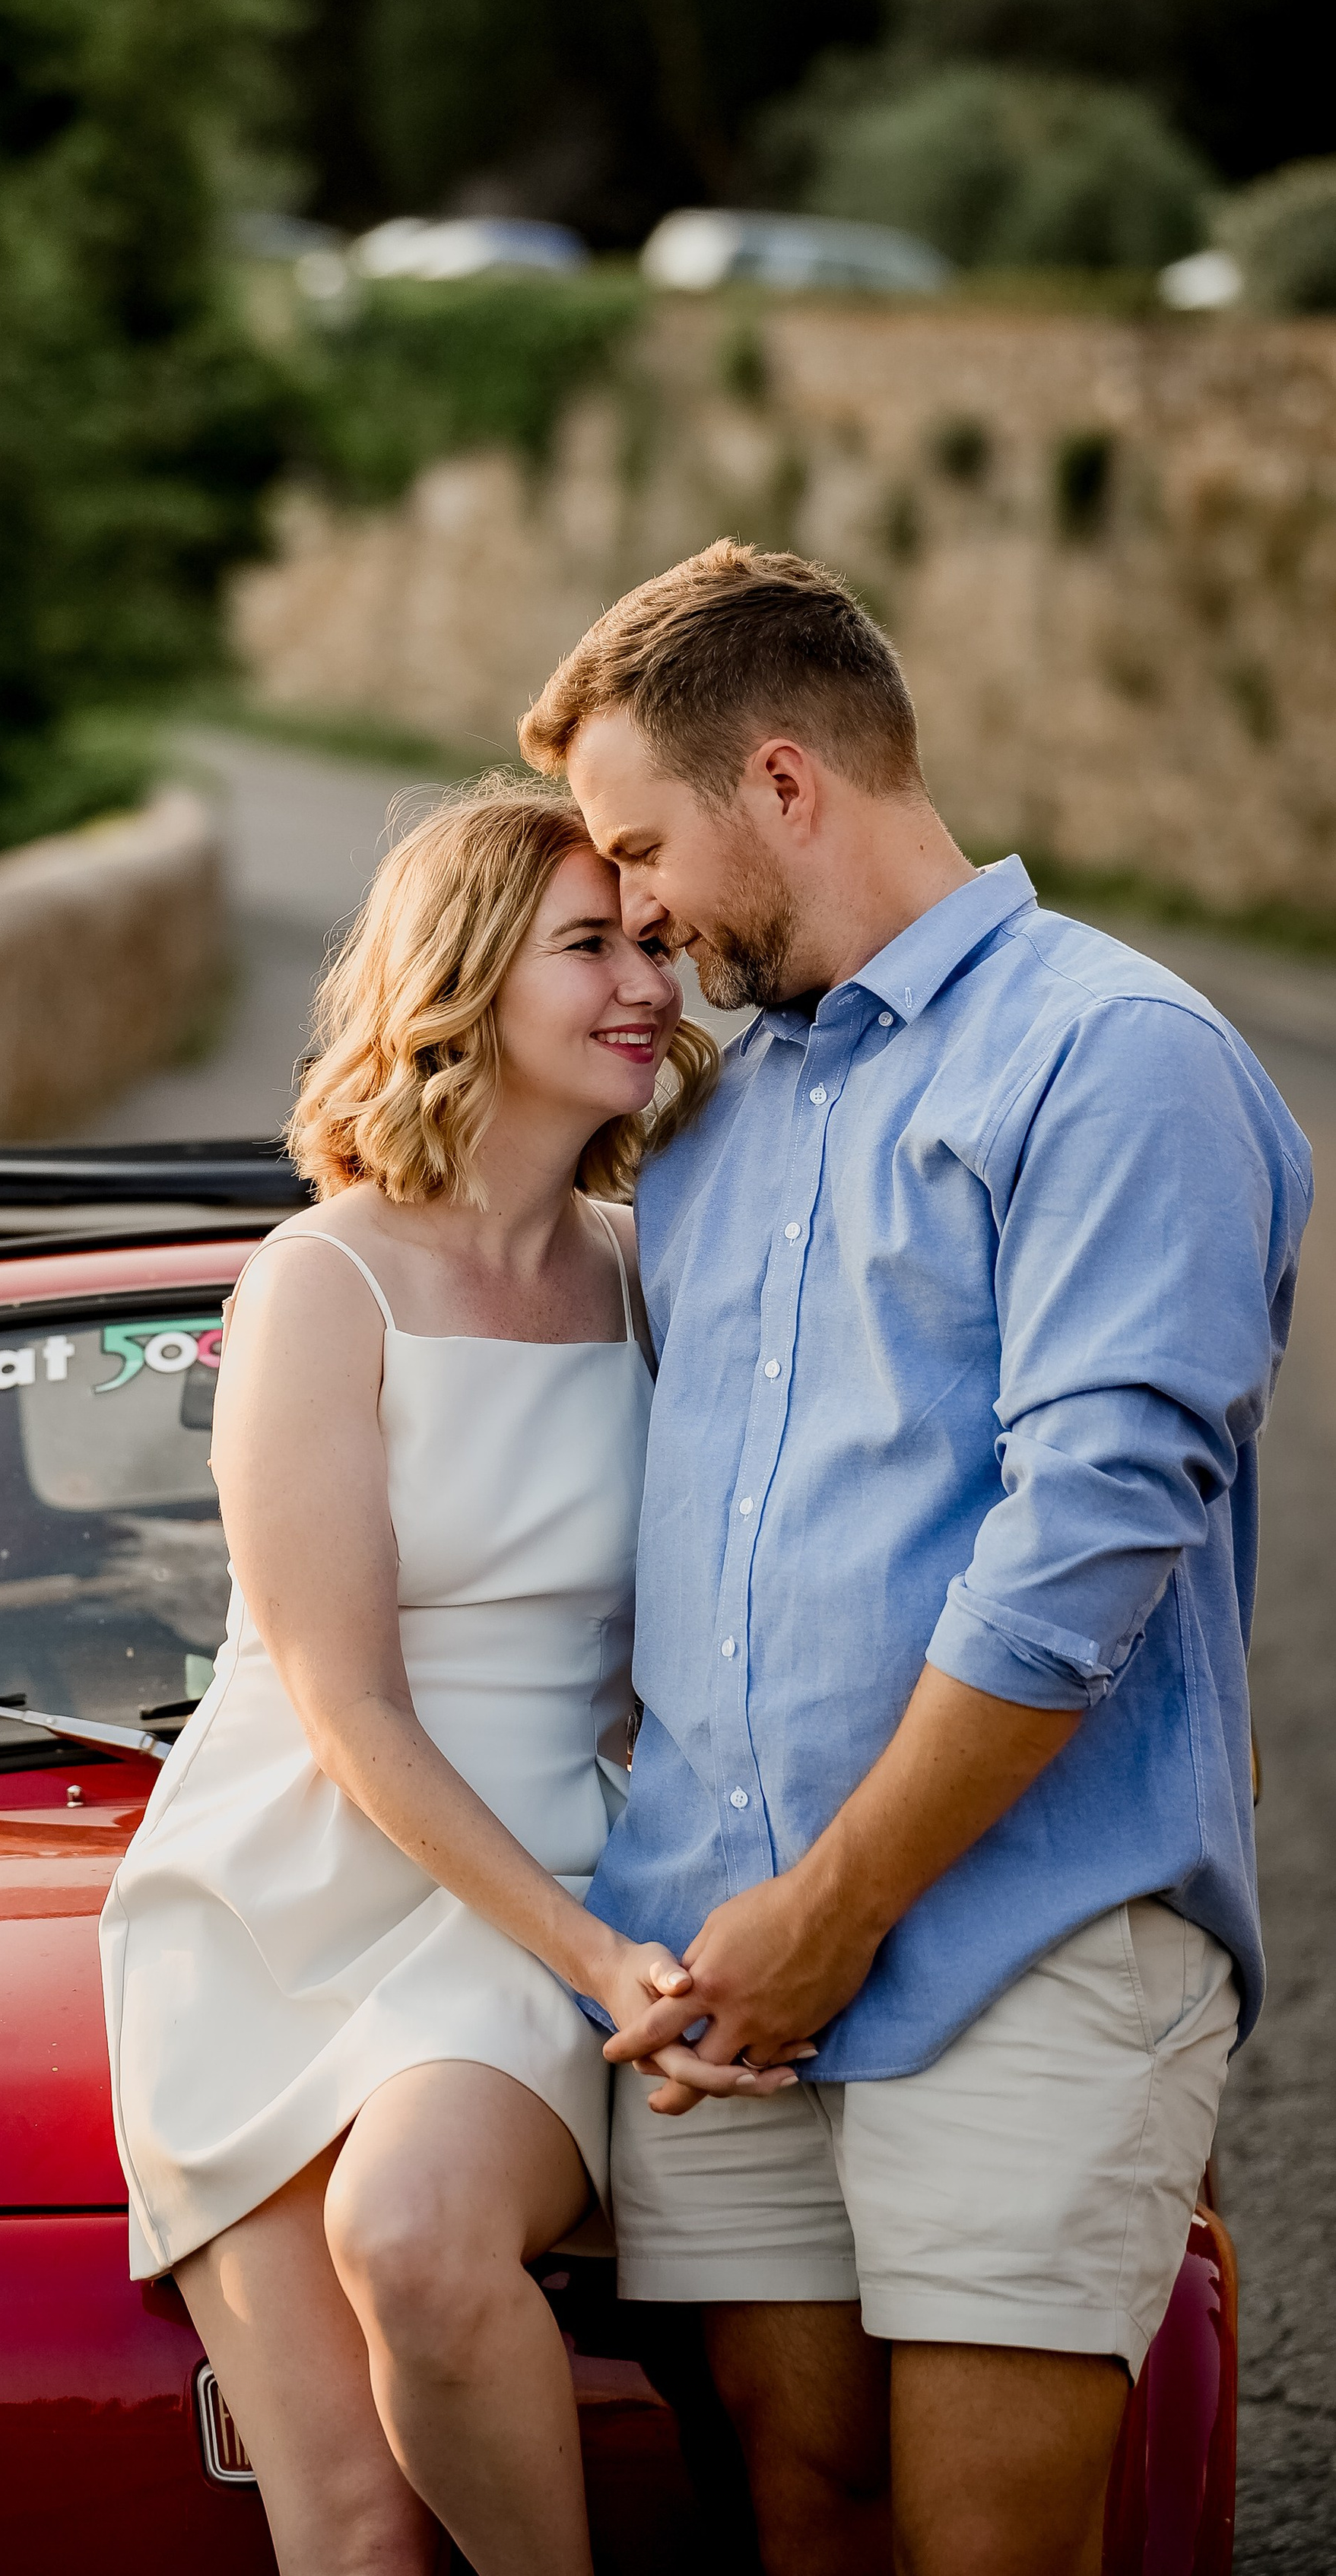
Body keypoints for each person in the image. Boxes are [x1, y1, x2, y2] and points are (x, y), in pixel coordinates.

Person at [521, 538, 1313, 2576]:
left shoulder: (1112, 1054)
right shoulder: (708, 1122)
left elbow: (1092, 1534)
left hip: (1022, 1944)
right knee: (805, 2521)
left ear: (783, 781)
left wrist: (839, 1907)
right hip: (723, 1971)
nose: (636, 913)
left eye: (641, 847)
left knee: (989, 2548)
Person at [101, 780, 804, 2576]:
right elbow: (342, 1706)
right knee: (345, 2526)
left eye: (650, 943)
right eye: (588, 947)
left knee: (416, 2235)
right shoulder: (319, 1282)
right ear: (464, 980)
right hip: (275, 1899)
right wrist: (600, 1960)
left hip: (534, 1879)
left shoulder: (646, 1277)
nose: (646, 983)